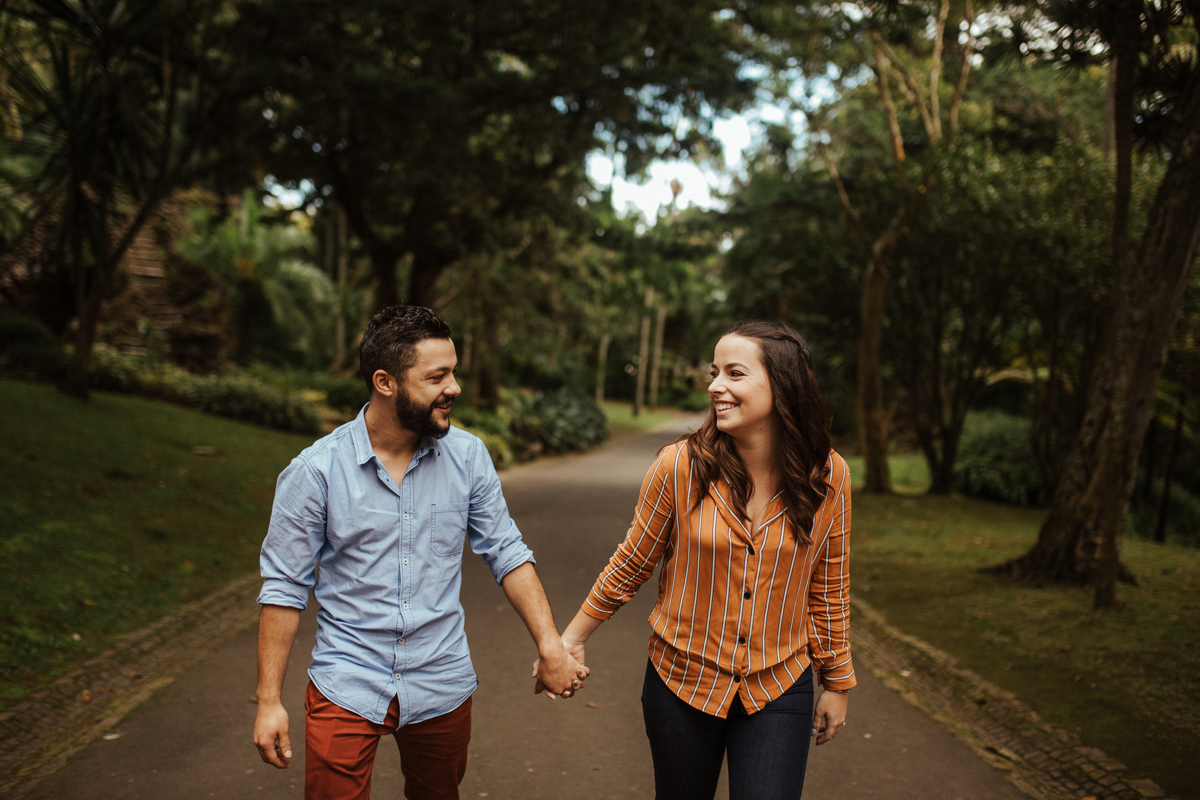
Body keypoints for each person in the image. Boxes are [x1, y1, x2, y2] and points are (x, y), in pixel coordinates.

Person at [253, 305, 587, 800]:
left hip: (441, 679)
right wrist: (268, 702)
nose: (454, 387)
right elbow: (284, 587)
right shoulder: (316, 472)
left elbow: (506, 552)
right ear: (385, 382)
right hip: (347, 678)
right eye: (437, 376)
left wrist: (550, 645)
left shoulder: (468, 456)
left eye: (453, 372)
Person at [541, 320, 854, 800]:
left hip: (778, 683)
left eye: (734, 373)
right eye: (714, 372)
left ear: (782, 385)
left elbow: (828, 585)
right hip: (682, 681)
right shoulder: (680, 466)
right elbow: (632, 562)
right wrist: (568, 641)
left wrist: (837, 681)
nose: (715, 387)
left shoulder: (828, 476)